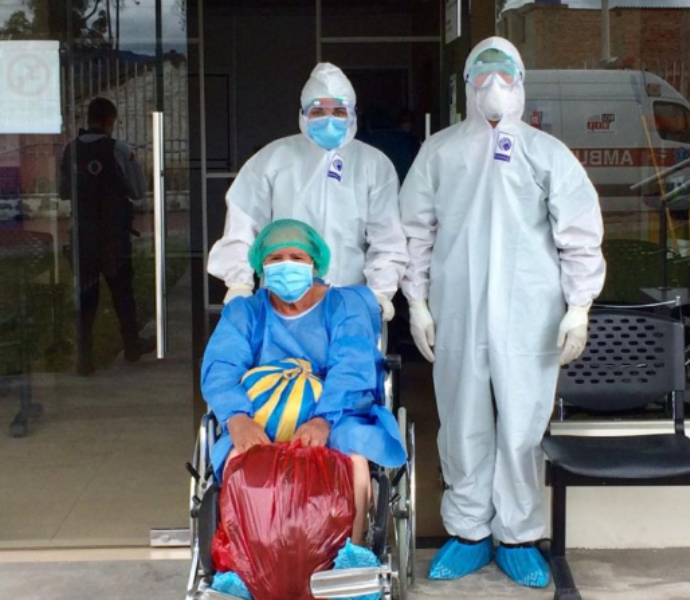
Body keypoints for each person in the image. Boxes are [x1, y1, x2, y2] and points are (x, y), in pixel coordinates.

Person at [400, 37, 605, 588]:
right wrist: (417, 301)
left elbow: (579, 235)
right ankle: (468, 532)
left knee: (522, 424)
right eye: (484, 73)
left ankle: (517, 536)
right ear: (467, 84)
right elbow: (414, 232)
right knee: (462, 420)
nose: (494, 85)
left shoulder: (547, 153)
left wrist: (578, 305)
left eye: (505, 73)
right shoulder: (440, 152)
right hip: (458, 309)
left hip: (530, 312)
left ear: (521, 82)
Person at [202, 218, 407, 550]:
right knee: (237, 458)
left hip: (339, 414)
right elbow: (220, 368)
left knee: (352, 457)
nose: (286, 265)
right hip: (259, 416)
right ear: (261, 265)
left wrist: (323, 420)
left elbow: (352, 367)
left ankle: (351, 554)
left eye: (297, 257)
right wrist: (236, 418)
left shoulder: (345, 306)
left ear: (314, 263)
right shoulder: (245, 313)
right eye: (275, 258)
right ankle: (248, 557)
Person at [206, 63, 408, 322]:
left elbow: (387, 237)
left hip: (351, 302)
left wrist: (380, 291)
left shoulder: (373, 164)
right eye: (318, 111)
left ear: (352, 114)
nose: (329, 120)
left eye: (338, 111)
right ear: (303, 114)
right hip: (282, 300)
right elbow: (242, 224)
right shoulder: (273, 159)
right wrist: (239, 283)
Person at [59, 97, 153, 375]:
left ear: (88, 120)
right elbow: (138, 190)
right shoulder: (119, 149)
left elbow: (64, 191)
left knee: (86, 298)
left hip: (83, 236)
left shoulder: (69, 150)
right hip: (113, 238)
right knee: (123, 294)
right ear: (110, 120)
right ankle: (132, 346)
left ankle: (84, 359)